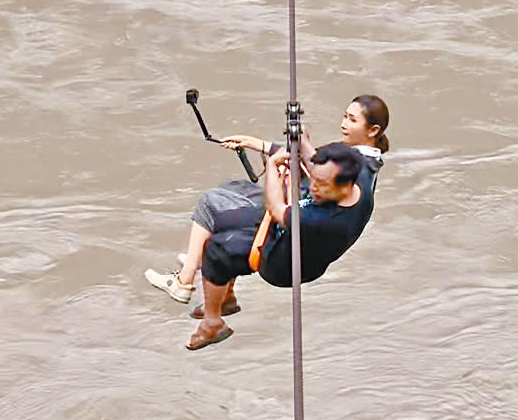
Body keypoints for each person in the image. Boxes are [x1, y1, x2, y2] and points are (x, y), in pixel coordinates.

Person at [144, 94, 389, 307]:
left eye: (352, 120)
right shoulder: (359, 156)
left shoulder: (361, 170)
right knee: (232, 187)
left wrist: (282, 160)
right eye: (345, 116)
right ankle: (202, 264)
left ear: (373, 130)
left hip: (294, 221)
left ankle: (184, 281)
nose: (344, 124)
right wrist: (254, 143)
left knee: (210, 203)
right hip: (301, 205)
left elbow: (313, 168)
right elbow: (311, 160)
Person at [184, 141, 371, 349]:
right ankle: (225, 297)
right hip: (298, 241)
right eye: (314, 178)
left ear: (344, 185)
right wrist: (301, 140)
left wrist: (273, 165)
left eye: (322, 184)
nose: (313, 187)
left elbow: (275, 207)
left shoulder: (317, 220)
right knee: (230, 200)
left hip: (283, 263)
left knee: (217, 249)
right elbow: (311, 157)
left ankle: (212, 323)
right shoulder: (361, 182)